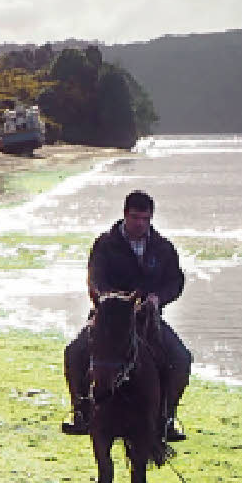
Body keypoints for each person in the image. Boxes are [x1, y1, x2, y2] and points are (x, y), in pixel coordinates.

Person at [62, 189, 192, 442]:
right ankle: (80, 412)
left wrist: (158, 298)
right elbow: (95, 279)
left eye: (145, 219)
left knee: (181, 359)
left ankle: (166, 418)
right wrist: (111, 300)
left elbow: (175, 281)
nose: (140, 224)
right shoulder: (105, 244)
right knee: (75, 352)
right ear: (125, 215)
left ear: (151, 217)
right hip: (109, 318)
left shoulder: (162, 247)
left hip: (147, 319)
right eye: (135, 218)